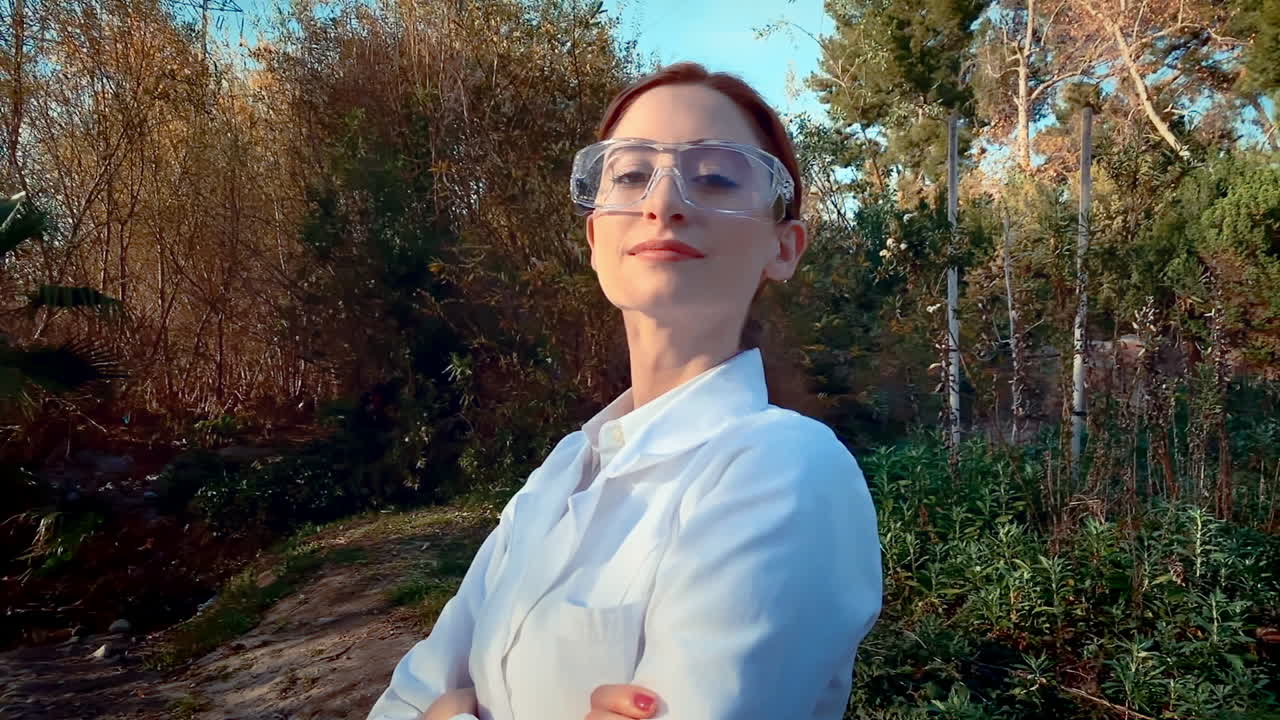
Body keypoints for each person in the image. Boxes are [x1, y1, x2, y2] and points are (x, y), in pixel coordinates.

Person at [366, 61, 883, 720]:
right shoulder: (560, 474)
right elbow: (406, 698)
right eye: (632, 173)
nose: (662, 203)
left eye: (717, 177)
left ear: (784, 248)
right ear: (594, 239)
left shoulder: (790, 470)